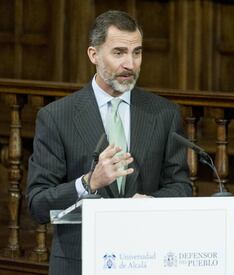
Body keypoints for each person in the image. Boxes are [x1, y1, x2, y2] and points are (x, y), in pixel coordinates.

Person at [26, 10, 192, 275]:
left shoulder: (163, 114)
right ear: (94, 55)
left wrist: (151, 202)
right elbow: (37, 204)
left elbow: (181, 187)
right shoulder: (56, 117)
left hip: (146, 258)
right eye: (119, 53)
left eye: (136, 53)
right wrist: (87, 183)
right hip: (80, 262)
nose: (130, 64)